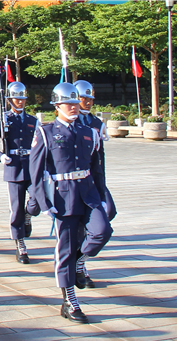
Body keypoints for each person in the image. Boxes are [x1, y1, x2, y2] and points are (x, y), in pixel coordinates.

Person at [29, 82, 113, 323]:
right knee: (64, 248)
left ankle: (79, 262)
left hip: (88, 193)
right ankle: (69, 300)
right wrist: (43, 203)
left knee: (102, 231)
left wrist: (103, 197)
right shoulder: (45, 132)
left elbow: (98, 169)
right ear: (57, 105)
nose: (75, 107)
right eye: (69, 103)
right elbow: (35, 172)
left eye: (77, 103)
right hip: (62, 196)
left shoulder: (90, 132)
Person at [0, 81, 41, 264]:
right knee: (16, 209)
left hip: (31, 165)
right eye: (16, 99)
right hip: (13, 167)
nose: (20, 102)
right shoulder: (4, 119)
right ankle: (20, 244)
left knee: (36, 201)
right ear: (9, 100)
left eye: (22, 99)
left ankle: (28, 216)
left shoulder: (33, 121)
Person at [73, 80, 117, 288]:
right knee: (81, 222)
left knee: (109, 212)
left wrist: (102, 186)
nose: (88, 102)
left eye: (90, 98)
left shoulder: (97, 123)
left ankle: (80, 258)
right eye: (84, 98)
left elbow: (100, 159)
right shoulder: (71, 121)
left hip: (93, 178)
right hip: (75, 181)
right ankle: (79, 265)